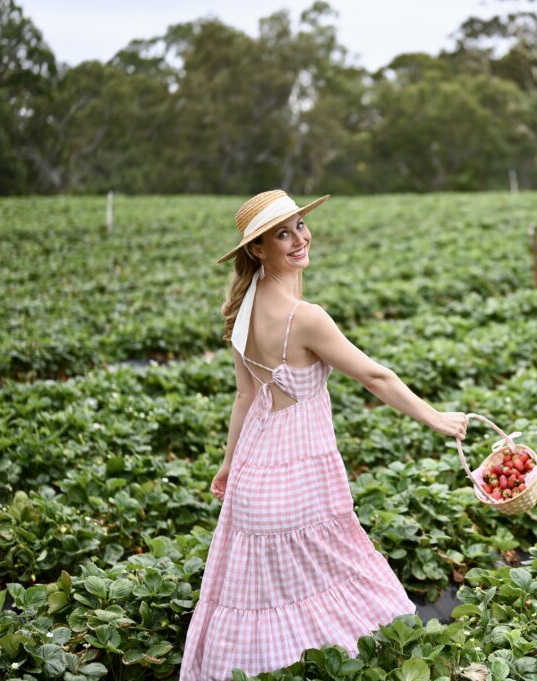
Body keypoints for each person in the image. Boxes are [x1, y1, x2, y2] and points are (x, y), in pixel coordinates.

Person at [178, 189, 469, 680]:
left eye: (300, 226)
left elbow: (245, 398)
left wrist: (229, 463)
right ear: (257, 249)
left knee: (272, 598)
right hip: (298, 472)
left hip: (256, 472)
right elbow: (375, 377)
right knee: (348, 579)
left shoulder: (243, 310)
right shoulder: (305, 317)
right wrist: (436, 418)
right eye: (282, 234)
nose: (299, 239)